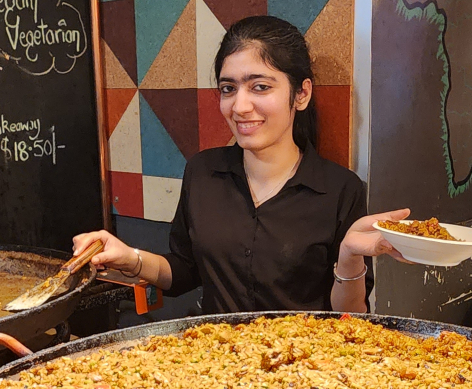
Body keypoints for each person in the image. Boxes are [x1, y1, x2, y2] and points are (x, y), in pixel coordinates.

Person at [73, 16, 408, 314]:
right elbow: (184, 271)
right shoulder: (203, 172)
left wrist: (349, 256)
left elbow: (349, 316)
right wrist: (129, 257)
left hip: (305, 371)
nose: (240, 105)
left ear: (301, 94)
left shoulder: (340, 189)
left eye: (260, 87)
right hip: (219, 363)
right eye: (228, 88)